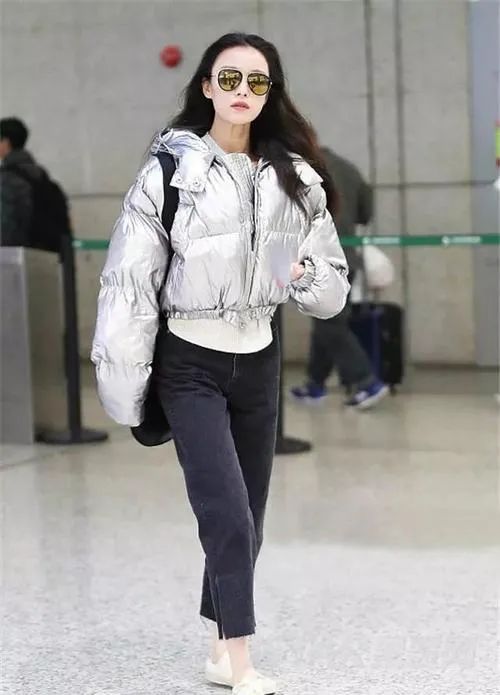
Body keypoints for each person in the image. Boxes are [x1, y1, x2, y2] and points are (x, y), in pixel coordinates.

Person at [91, 32, 349, 695]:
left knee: (249, 518)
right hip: (190, 362)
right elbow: (130, 282)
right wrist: (124, 382)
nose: (241, 92)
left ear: (270, 93)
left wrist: (300, 273)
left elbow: (329, 293)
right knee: (227, 513)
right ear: (206, 86)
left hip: (258, 359)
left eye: (256, 82)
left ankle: (216, 647)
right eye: (228, 78)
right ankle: (240, 662)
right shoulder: (168, 172)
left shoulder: (296, 179)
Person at [291, 147, 389, 409]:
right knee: (326, 319)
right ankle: (315, 384)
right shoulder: (348, 168)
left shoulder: (301, 171)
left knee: (330, 326)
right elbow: (366, 212)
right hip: (347, 256)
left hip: (319, 259)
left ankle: (367, 382)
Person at [0, 118, 41, 247]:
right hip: (43, 254)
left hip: (14, 255)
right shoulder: (41, 175)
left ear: (6, 142)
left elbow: (4, 226)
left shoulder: (7, 179)